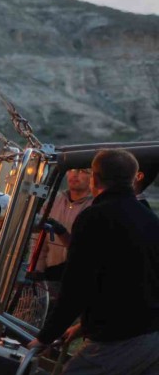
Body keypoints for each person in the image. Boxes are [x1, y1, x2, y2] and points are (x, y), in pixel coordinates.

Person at [28, 149, 159, 374]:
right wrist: (81, 327)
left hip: (118, 341)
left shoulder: (94, 217)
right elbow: (128, 279)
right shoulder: (151, 220)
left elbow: (78, 285)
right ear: (132, 178)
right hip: (152, 339)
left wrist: (44, 337)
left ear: (94, 179)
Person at [32, 169, 93, 302]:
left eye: (83, 171)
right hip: (50, 276)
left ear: (93, 177)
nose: (75, 174)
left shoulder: (94, 207)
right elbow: (39, 240)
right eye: (71, 170)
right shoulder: (53, 203)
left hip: (78, 280)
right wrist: (37, 271)